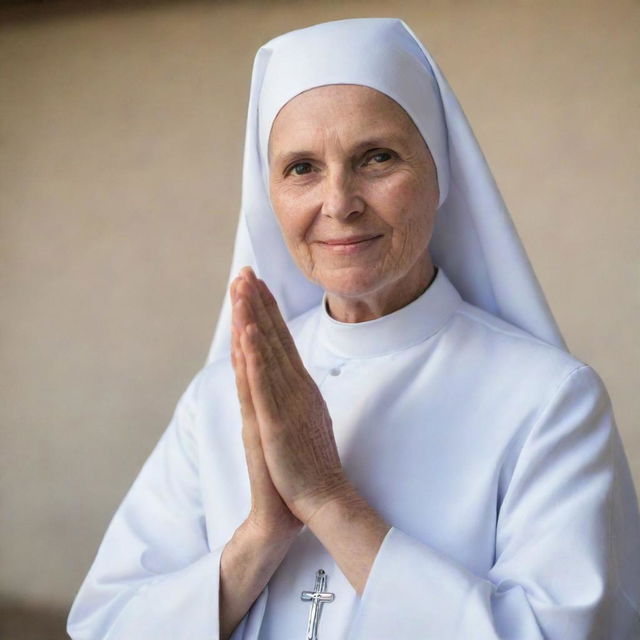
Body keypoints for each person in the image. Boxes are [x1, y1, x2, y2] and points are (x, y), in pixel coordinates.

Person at [67, 18, 640, 639]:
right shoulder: (213, 399)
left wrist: (328, 502)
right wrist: (262, 534)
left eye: (377, 157)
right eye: (301, 168)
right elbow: (107, 623)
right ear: (270, 198)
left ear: (440, 174)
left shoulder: (549, 399)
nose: (339, 203)